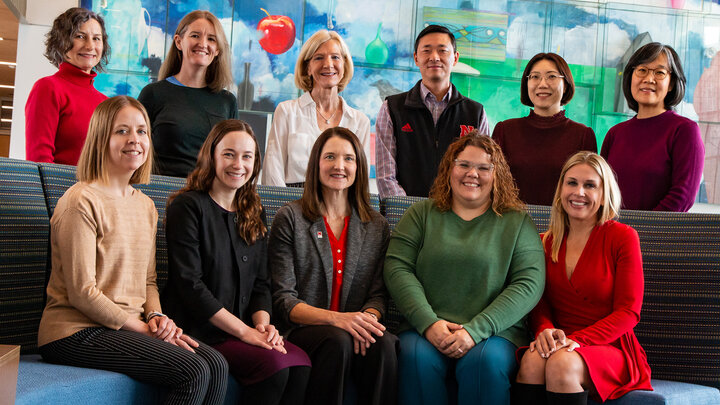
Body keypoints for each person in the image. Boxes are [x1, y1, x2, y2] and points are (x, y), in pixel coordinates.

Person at [37, 96, 228, 405]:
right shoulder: (80, 201)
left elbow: (148, 281)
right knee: (193, 370)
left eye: (141, 131)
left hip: (126, 325)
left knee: (217, 365)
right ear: (101, 138)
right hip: (73, 331)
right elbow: (82, 292)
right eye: (122, 131)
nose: (134, 140)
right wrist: (142, 329)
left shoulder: (146, 205)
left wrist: (155, 316)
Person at [384, 133, 545, 404]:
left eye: (484, 167)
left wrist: (475, 331)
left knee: (483, 364)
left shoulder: (517, 222)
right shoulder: (421, 214)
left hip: (494, 334)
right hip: (425, 328)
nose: (473, 174)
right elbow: (398, 267)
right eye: (464, 165)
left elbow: (529, 283)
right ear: (450, 168)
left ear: (497, 175)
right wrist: (428, 323)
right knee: (414, 358)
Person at [162, 119, 311, 405]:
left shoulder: (254, 210)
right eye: (229, 154)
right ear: (212, 155)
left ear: (255, 163)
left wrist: (263, 327)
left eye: (247, 156)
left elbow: (261, 284)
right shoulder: (188, 206)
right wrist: (245, 333)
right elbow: (189, 285)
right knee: (274, 367)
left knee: (300, 363)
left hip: (242, 329)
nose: (238, 164)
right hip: (199, 330)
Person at [269, 127, 397, 405]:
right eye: (330, 157)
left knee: (384, 343)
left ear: (359, 167)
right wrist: (340, 321)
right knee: (337, 341)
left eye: (349, 159)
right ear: (316, 163)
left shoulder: (377, 226)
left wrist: (366, 321)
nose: (339, 166)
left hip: (354, 326)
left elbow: (378, 295)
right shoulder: (290, 218)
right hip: (304, 330)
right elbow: (284, 300)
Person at [513, 151, 652, 404]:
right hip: (560, 340)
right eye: (572, 183)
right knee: (532, 360)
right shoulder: (545, 241)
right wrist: (544, 330)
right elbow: (538, 302)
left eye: (590, 185)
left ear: (603, 194)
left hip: (611, 346)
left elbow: (629, 312)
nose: (579, 192)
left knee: (561, 363)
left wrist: (577, 341)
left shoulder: (623, 237)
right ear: (561, 189)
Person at [375, 24, 489, 198]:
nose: (434, 57)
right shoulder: (392, 108)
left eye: (442, 51)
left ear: (455, 58)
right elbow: (385, 177)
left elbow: (482, 174)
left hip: (458, 218)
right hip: (406, 217)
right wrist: (410, 214)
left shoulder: (476, 113)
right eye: (426, 51)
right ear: (416, 58)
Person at [600, 42, 704, 211]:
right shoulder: (615, 133)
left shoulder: (684, 131)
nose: (649, 79)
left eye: (660, 72)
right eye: (642, 70)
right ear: (631, 76)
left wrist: (643, 231)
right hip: (613, 233)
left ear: (671, 84)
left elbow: (682, 196)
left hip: (657, 234)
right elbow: (601, 189)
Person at [262, 30, 370, 187]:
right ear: (308, 68)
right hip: (292, 204)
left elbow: (361, 181)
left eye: (335, 57)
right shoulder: (286, 112)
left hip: (340, 205)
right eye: (319, 58)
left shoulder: (360, 122)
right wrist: (289, 211)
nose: (328, 64)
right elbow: (272, 172)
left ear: (344, 66)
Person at [138, 10, 237, 178]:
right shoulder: (153, 94)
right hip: (162, 193)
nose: (203, 44)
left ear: (218, 49)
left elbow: (231, 157)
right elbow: (136, 151)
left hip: (207, 197)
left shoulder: (227, 101)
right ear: (178, 42)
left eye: (211, 39)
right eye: (195, 36)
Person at [492, 52, 596, 206]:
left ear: (565, 84)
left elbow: (589, 192)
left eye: (551, 76)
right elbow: (492, 186)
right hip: (511, 224)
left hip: (563, 225)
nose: (542, 84)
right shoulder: (504, 130)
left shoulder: (582, 135)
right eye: (534, 77)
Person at [25, 7, 109, 165]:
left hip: (99, 189)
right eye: (80, 36)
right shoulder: (48, 88)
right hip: (61, 188)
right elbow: (39, 159)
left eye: (96, 38)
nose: (90, 46)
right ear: (62, 42)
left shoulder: (105, 103)